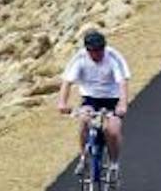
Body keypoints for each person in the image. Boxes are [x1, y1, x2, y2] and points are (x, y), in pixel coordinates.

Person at [56, 28, 130, 181]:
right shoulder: (79, 58)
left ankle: (114, 163)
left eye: (99, 51)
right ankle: (84, 157)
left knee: (113, 131)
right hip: (90, 97)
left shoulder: (113, 58)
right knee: (84, 120)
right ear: (87, 50)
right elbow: (67, 82)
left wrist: (122, 105)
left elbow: (122, 83)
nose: (96, 54)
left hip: (111, 98)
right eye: (92, 51)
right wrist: (62, 103)